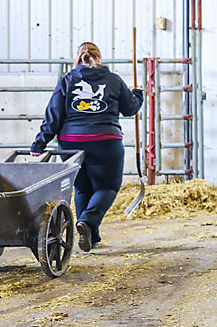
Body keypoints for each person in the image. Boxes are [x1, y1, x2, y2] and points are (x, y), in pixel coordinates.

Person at [31, 42, 143, 252]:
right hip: (105, 141)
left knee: (82, 187)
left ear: (79, 57)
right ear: (99, 58)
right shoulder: (113, 80)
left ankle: (92, 237)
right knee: (107, 187)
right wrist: (138, 95)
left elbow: (54, 114)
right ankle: (88, 222)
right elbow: (130, 109)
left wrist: (40, 142)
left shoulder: (67, 79)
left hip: (71, 142)